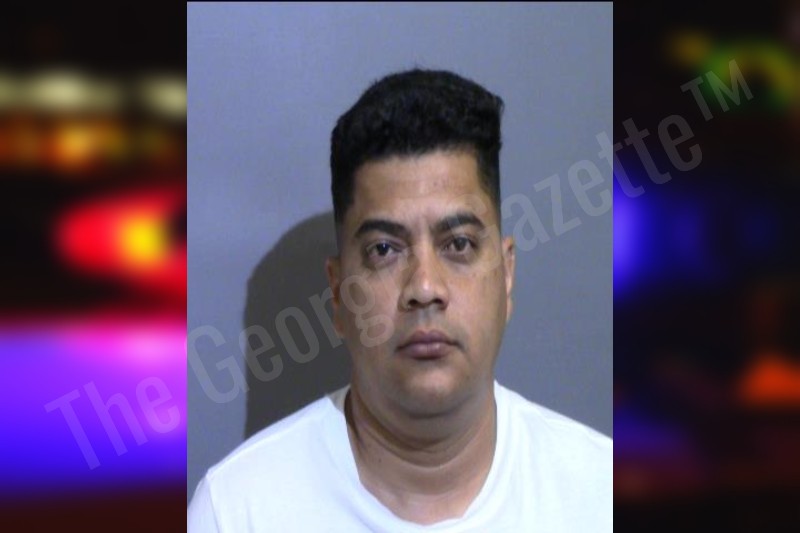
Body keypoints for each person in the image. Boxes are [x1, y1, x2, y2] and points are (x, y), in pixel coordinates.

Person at [188, 69, 612, 532]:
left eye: (459, 244)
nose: (424, 287)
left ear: (506, 274)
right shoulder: (237, 510)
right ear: (338, 294)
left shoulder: (599, 495)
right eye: (384, 250)